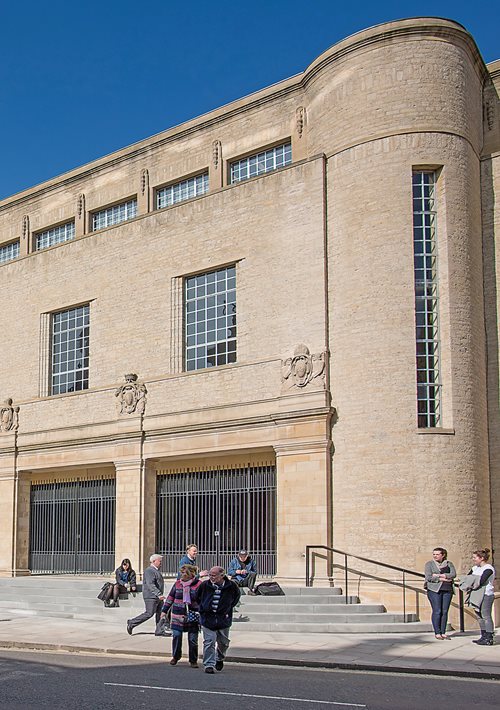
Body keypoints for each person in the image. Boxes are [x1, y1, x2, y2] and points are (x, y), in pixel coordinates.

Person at [198, 566, 241, 674]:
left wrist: (227, 608)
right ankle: (209, 664)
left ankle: (219, 658)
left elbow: (235, 598)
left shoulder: (231, 586)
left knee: (223, 643)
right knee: (209, 641)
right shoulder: (204, 585)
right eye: (210, 575)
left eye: (214, 575)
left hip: (223, 619)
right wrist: (203, 609)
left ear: (222, 575)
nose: (211, 577)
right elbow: (198, 597)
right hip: (208, 618)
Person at [160, 564, 202, 667]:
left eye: (184, 573)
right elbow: (170, 597)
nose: (181, 575)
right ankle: (175, 656)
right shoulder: (177, 584)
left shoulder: (199, 584)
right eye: (181, 573)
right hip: (177, 615)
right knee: (177, 636)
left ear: (190, 574)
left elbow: (203, 599)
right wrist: (164, 611)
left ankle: (193, 660)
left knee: (192, 639)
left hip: (192, 615)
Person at [127, 554, 168, 636]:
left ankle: (159, 630)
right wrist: (158, 594)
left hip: (157, 596)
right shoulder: (149, 571)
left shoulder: (155, 570)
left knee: (160, 613)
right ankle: (132, 622)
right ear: (153, 561)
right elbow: (150, 584)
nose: (161, 563)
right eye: (159, 561)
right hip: (151, 596)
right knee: (149, 613)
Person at [424, 547, 456, 640]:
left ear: (443, 555)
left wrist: (439, 575)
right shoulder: (429, 564)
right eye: (434, 554)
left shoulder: (449, 564)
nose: (435, 556)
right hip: (434, 590)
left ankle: (443, 632)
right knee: (437, 610)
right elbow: (429, 577)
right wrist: (442, 578)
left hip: (447, 589)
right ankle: (437, 632)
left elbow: (453, 574)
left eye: (437, 554)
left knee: (444, 611)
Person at [468, 548, 496, 646]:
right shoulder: (475, 568)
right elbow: (468, 578)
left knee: (486, 616)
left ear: (482, 558)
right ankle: (483, 635)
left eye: (475, 557)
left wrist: (473, 583)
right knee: (479, 616)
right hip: (476, 594)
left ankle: (489, 637)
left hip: (486, 594)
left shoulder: (488, 568)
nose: (473, 559)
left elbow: (481, 581)